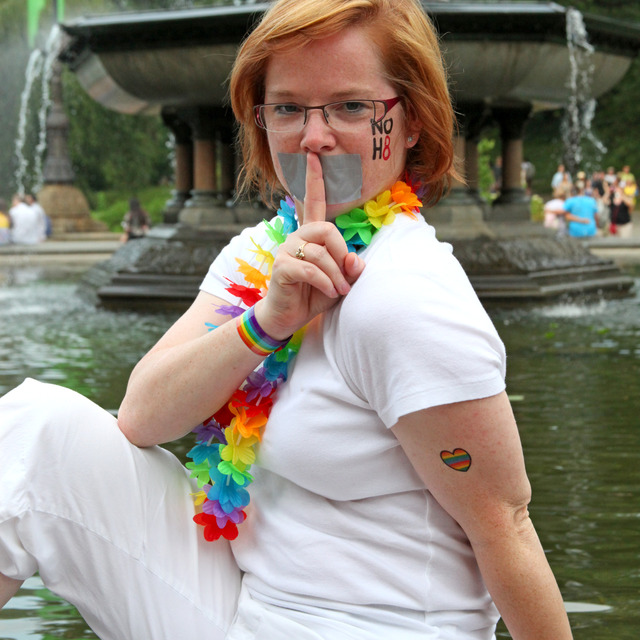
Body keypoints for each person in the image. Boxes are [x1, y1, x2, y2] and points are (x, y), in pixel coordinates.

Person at [0, 1, 573, 639]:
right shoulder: (259, 252)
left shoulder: (405, 295)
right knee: (34, 435)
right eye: (289, 108)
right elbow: (141, 417)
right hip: (242, 602)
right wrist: (264, 323)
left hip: (369, 626)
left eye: (352, 107)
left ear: (412, 122)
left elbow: (508, 527)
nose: (314, 136)